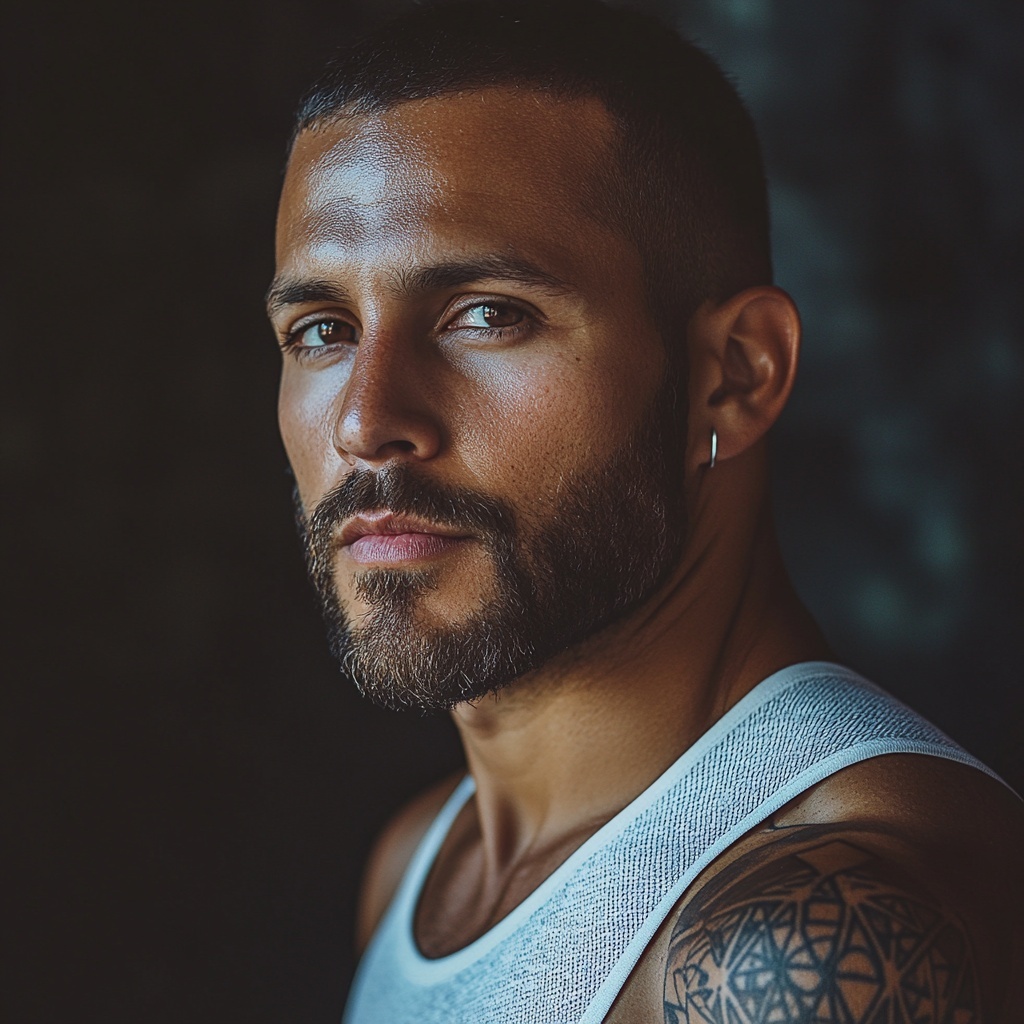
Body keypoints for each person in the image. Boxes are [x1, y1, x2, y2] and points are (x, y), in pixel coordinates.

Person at [266, 1, 1024, 1019]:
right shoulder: (419, 865)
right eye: (322, 330)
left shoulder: (803, 939)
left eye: (487, 314)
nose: (366, 422)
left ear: (735, 374)